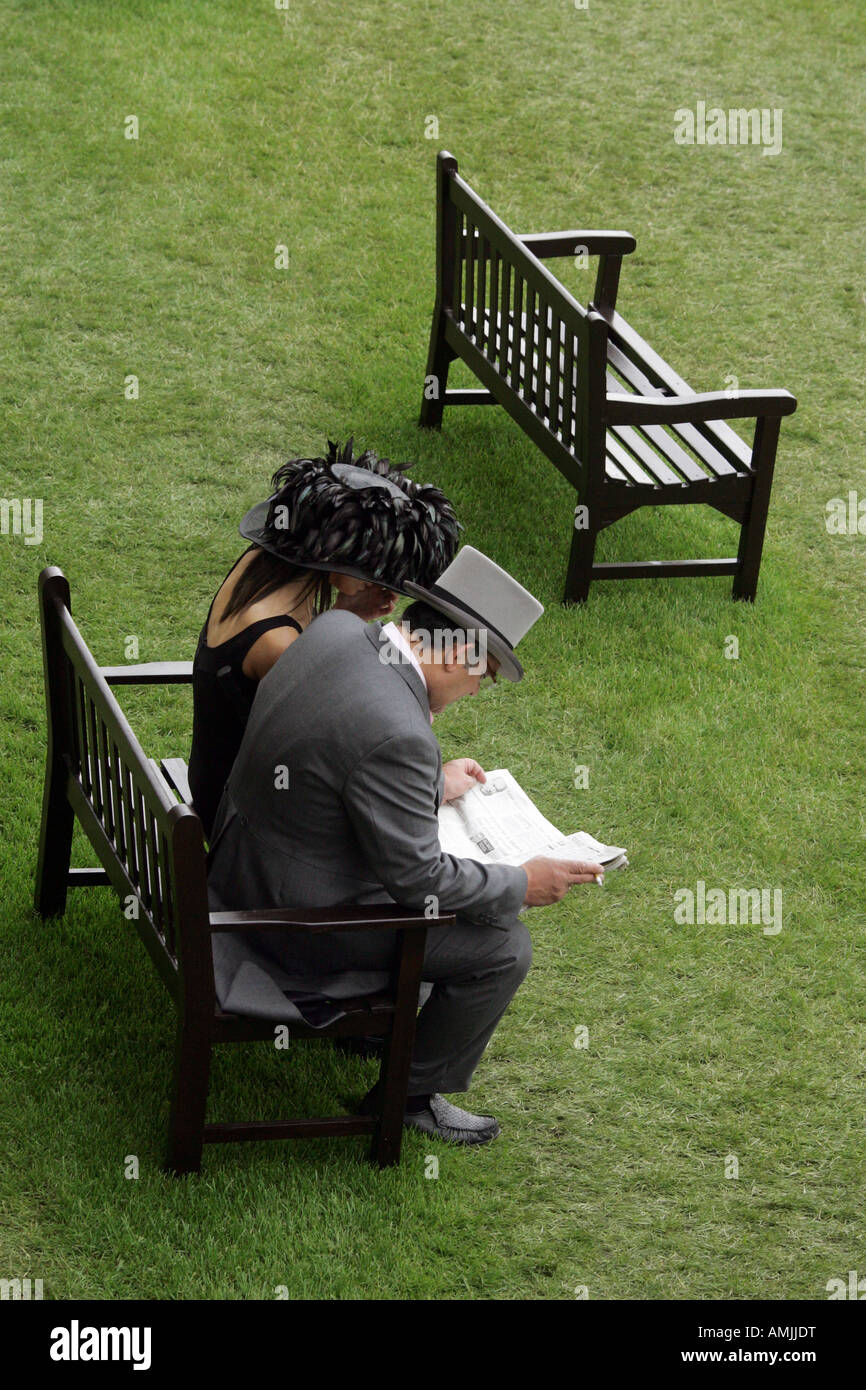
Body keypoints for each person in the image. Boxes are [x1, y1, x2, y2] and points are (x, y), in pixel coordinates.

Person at [206, 545, 605, 1146]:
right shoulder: (397, 728)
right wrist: (524, 882)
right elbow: (422, 883)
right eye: (483, 676)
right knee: (503, 948)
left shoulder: (339, 629)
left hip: (242, 863)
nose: (475, 692)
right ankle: (408, 1097)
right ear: (457, 653)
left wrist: (428, 784)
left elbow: (336, 749)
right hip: (288, 921)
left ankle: (377, 1039)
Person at [187, 439, 460, 839]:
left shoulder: (262, 567)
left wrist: (348, 609)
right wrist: (440, 782)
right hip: (238, 818)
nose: (389, 594)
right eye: (378, 575)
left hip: (221, 778)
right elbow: (362, 739)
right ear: (341, 566)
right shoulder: (277, 644)